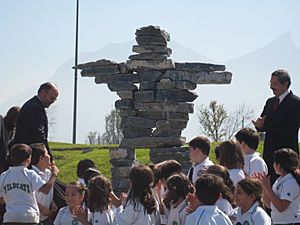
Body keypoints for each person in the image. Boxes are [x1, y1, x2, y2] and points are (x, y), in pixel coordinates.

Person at [252, 69, 300, 184]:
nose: (271, 87)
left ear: (285, 84)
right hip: (270, 154)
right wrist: (259, 126)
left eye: (275, 84)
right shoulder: (270, 102)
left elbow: (291, 128)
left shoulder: (296, 103)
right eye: (271, 83)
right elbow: (264, 123)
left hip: (286, 155)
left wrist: (268, 126)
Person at [0, 144, 59, 224]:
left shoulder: (4, 176)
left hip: (10, 218)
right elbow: (45, 190)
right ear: (28, 160)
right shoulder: (30, 174)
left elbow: (1, 200)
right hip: (29, 217)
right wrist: (54, 175)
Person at [14, 82, 59, 161]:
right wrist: (49, 157)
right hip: (29, 154)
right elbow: (39, 135)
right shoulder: (36, 108)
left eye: (55, 99)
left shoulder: (31, 104)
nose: (53, 101)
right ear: (43, 93)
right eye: (52, 98)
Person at [254, 148, 300, 225]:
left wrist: (268, 188)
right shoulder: (280, 180)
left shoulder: (290, 181)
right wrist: (264, 187)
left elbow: (281, 207)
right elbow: (269, 205)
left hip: (290, 222)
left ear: (278, 165)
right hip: (279, 222)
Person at [31, 143, 58, 225]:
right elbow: (29, 196)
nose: (49, 156)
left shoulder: (48, 173)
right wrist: (54, 175)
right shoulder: (31, 174)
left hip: (45, 218)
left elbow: (47, 191)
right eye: (47, 153)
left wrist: (51, 202)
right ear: (41, 158)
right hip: (33, 219)